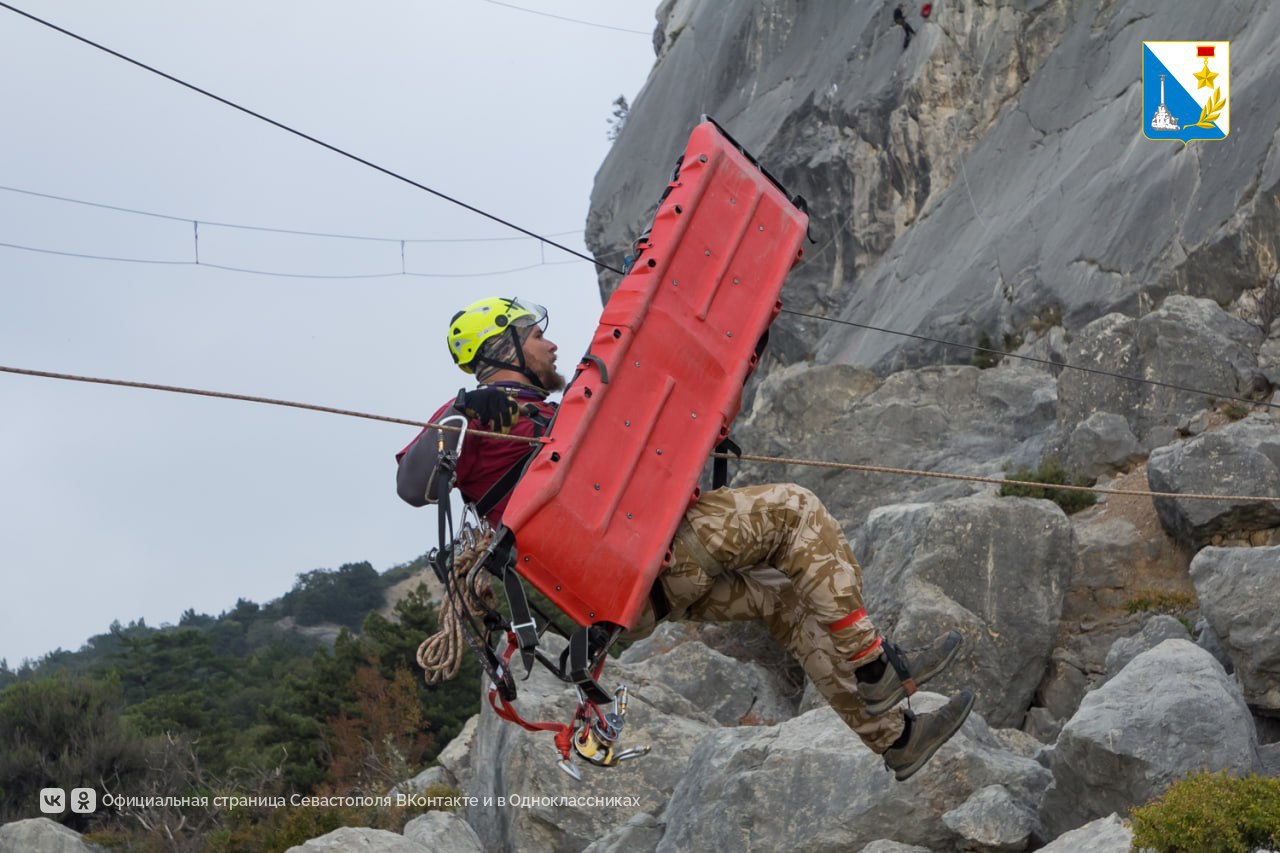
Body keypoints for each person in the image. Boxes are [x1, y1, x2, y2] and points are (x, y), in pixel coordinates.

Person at [396, 296, 975, 781]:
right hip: (626, 564)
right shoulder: (474, 417)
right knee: (795, 510)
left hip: (637, 582)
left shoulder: (553, 414)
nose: (550, 345)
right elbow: (412, 484)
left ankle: (897, 739)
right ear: (504, 349)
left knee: (782, 597)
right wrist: (464, 412)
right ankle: (875, 666)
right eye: (535, 335)